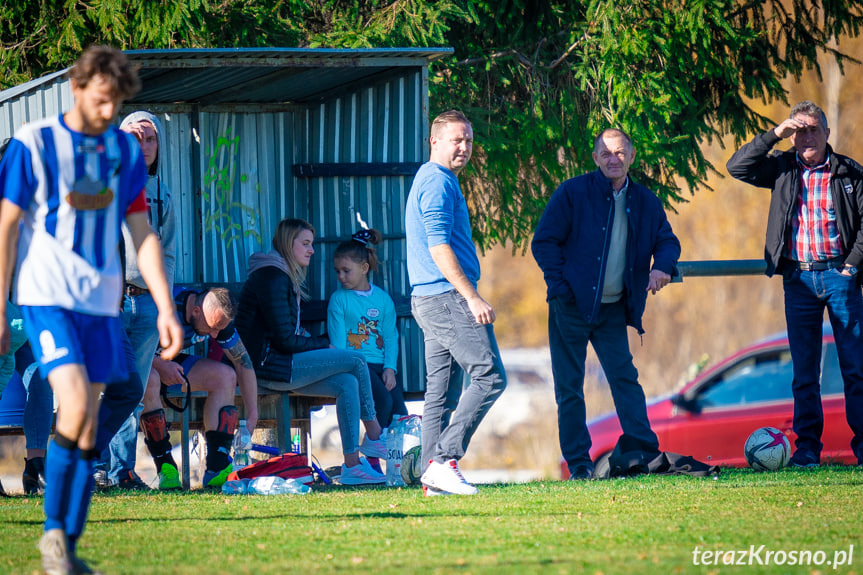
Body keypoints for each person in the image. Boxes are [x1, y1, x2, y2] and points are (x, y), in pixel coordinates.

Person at [0, 45, 183, 575]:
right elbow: (7, 227)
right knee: (76, 404)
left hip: (101, 306)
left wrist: (167, 308)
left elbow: (142, 234)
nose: (108, 115)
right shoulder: (33, 146)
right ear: (78, 89)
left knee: (84, 424)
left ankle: (64, 544)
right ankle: (55, 539)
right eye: (102, 102)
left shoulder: (122, 155)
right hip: (47, 299)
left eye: (116, 104)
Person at [531, 128, 681, 481]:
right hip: (569, 307)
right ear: (595, 158)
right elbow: (544, 243)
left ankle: (644, 451)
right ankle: (580, 465)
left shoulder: (644, 201)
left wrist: (662, 266)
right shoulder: (573, 193)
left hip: (613, 308)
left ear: (631, 156)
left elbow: (668, 241)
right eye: (606, 153)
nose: (613, 159)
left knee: (625, 379)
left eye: (620, 152)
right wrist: (561, 287)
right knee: (570, 388)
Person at [727, 101, 863, 468]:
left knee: (855, 367)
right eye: (799, 131)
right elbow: (737, 166)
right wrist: (775, 134)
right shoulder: (782, 167)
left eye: (813, 129)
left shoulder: (850, 173)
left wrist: (851, 266)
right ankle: (807, 451)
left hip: (840, 279)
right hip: (798, 280)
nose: (806, 137)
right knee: (805, 373)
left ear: (827, 132)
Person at [235, 218, 387, 485]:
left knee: (347, 382)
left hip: (278, 363)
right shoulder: (273, 278)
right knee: (355, 358)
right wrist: (322, 344)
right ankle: (374, 436)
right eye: (305, 244)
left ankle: (352, 465)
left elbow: (283, 334)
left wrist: (316, 341)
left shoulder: (279, 275)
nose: (312, 250)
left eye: (312, 244)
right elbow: (284, 341)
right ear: (287, 244)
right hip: (268, 367)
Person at [405, 110, 507, 496]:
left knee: (441, 393)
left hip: (428, 299)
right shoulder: (436, 182)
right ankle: (443, 460)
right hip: (446, 297)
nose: (464, 147)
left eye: (468, 140)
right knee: (490, 376)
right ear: (435, 141)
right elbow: (438, 246)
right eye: (455, 140)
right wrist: (472, 296)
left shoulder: (435, 178)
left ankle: (433, 480)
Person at [94, 110, 177, 491]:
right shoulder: (105, 182)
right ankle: (94, 464)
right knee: (108, 384)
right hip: (110, 302)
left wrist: (165, 305)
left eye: (150, 138)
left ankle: (120, 471)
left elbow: (169, 253)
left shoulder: (163, 192)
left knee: (134, 390)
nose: (143, 145)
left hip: (145, 303)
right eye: (134, 136)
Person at [139, 286, 259, 489]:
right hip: (140, 361)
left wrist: (253, 413)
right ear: (196, 311)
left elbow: (243, 362)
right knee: (150, 378)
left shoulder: (217, 319)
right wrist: (160, 365)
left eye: (219, 329)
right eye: (212, 327)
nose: (214, 335)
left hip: (170, 361)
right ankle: (166, 469)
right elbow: (129, 347)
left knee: (225, 376)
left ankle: (217, 468)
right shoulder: (163, 305)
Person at [327, 228, 408, 432]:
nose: (341, 276)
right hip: (357, 364)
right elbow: (337, 344)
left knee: (400, 413)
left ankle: (395, 460)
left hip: (381, 365)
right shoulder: (339, 300)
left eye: (346, 271)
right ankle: (372, 453)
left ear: (364, 268)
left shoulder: (382, 299)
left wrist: (390, 368)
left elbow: (390, 336)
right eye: (337, 271)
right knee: (382, 403)